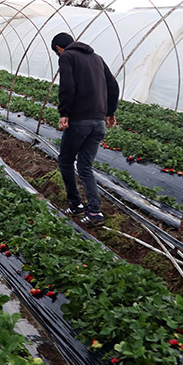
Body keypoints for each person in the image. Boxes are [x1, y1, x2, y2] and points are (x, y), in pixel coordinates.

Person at [50, 32, 119, 227]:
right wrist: (110, 112)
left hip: (79, 120)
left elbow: (67, 86)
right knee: (85, 166)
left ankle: (75, 205)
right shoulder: (97, 58)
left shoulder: (67, 56)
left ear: (59, 48)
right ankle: (95, 212)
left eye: (57, 52)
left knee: (65, 161)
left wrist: (64, 113)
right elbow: (113, 86)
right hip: (98, 122)